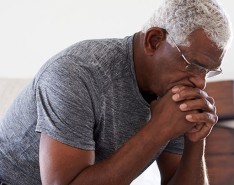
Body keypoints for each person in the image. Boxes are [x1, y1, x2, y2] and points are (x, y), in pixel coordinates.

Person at [0, 0, 232, 184]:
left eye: (209, 72)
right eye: (194, 65)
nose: (200, 83)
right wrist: (159, 128)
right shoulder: (76, 72)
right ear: (154, 41)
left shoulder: (173, 91)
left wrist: (195, 142)